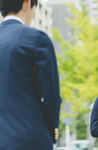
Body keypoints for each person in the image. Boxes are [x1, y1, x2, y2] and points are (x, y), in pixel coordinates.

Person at [0, 0, 62, 149]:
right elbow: (51, 96)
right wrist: (52, 133)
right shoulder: (36, 39)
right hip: (27, 139)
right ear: (27, 3)